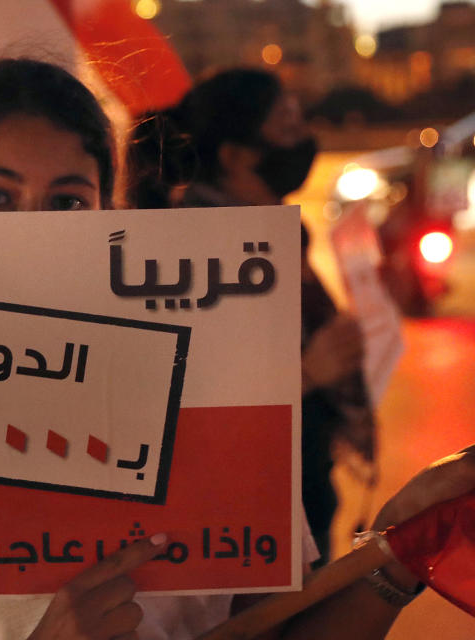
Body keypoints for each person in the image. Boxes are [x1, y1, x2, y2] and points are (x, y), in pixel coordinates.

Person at [0, 58, 473, 640]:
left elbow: (270, 625)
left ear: (110, 218)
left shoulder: (210, 400)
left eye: (66, 202)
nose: (32, 232)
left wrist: (396, 548)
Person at [128, 69, 375, 563]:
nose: (303, 139)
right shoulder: (184, 248)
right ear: (235, 155)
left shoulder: (281, 232)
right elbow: (181, 397)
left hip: (303, 473)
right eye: (286, 126)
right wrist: (307, 373)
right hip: (240, 507)